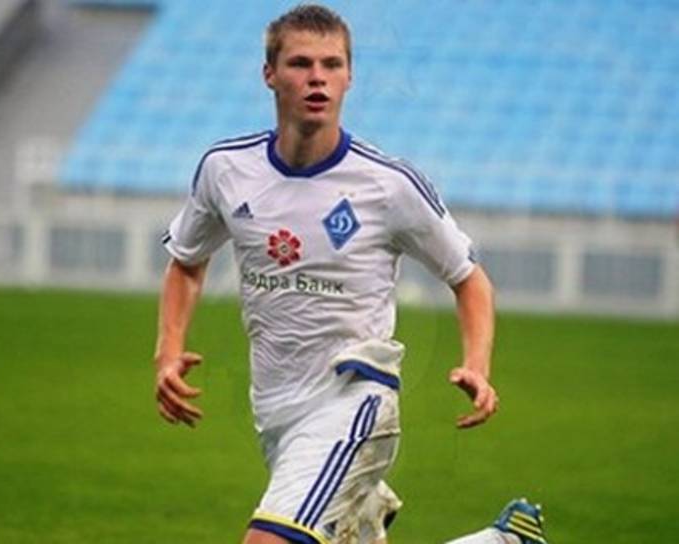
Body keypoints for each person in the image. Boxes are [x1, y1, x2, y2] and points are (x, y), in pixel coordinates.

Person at [153, 4, 548, 544]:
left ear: (349, 77)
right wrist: (168, 351)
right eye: (300, 63)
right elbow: (186, 261)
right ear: (269, 74)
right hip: (275, 410)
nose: (317, 77)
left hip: (354, 398)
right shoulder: (226, 169)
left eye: (331, 64)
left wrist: (477, 365)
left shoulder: (388, 184)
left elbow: (469, 278)